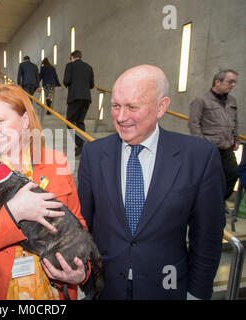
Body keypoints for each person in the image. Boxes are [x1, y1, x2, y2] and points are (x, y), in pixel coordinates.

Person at [78, 65, 226, 300]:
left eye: (132, 107)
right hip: (104, 289)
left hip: (167, 289)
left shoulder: (198, 156)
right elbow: (83, 225)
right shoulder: (94, 154)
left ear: (161, 107)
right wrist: (85, 282)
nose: (121, 117)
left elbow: (207, 236)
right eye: (116, 106)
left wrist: (196, 294)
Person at [0, 83, 92, 300]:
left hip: (50, 292)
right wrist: (13, 212)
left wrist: (81, 272)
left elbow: (78, 225)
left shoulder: (57, 162)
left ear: (25, 121)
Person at [189, 69, 239, 200]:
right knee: (209, 178)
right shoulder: (201, 101)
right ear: (218, 82)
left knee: (233, 173)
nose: (233, 85)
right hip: (210, 148)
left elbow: (235, 122)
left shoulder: (232, 101)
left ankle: (217, 201)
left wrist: (236, 140)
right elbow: (194, 124)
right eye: (230, 82)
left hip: (227, 147)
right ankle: (204, 202)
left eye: (234, 82)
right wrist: (202, 144)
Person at [63, 50, 94, 156]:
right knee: (80, 122)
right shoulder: (88, 67)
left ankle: (80, 144)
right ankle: (82, 145)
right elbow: (92, 85)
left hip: (75, 97)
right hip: (86, 98)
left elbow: (66, 80)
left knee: (70, 122)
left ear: (72, 57)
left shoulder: (70, 66)